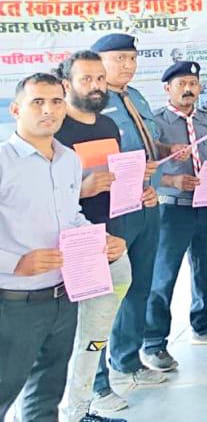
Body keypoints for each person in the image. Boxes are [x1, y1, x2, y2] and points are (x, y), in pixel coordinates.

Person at [1, 72, 126, 421]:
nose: (48, 110)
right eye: (37, 102)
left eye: (56, 101)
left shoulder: (68, 159)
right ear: (16, 109)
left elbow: (71, 218)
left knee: (46, 394)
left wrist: (98, 239)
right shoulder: (3, 162)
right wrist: (15, 263)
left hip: (62, 296)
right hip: (14, 303)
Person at [52, 54, 137, 420]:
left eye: (101, 78)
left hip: (112, 240)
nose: (97, 86)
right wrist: (82, 190)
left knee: (96, 331)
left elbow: (113, 183)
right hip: (73, 247)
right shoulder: (55, 130)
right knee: (68, 337)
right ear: (67, 85)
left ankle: (81, 407)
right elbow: (43, 196)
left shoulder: (107, 124)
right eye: (87, 79)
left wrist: (138, 190)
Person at [142, 61, 207, 373]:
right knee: (163, 276)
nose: (188, 89)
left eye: (193, 84)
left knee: (205, 268)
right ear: (167, 89)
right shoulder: (154, 125)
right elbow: (142, 168)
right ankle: (154, 342)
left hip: (205, 206)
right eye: (181, 83)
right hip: (171, 207)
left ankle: (204, 325)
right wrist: (172, 181)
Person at [89, 32, 169, 389]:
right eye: (118, 58)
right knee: (108, 291)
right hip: (110, 210)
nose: (127, 65)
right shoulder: (91, 102)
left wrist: (166, 153)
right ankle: (96, 375)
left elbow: (145, 146)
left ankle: (127, 359)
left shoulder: (135, 97)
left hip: (146, 202)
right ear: (98, 62)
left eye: (132, 59)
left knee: (139, 284)